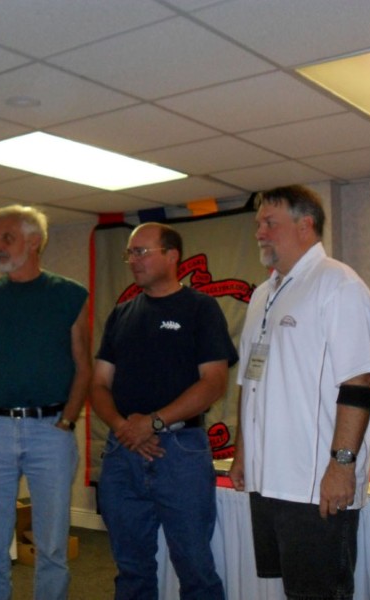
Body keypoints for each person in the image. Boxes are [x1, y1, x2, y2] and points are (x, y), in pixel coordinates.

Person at [229, 185, 370, 600]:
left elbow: (360, 382)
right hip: (269, 479)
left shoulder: (339, 285)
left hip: (315, 484)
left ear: (305, 225)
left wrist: (342, 466)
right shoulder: (263, 294)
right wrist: (244, 452)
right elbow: (249, 381)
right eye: (258, 222)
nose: (259, 230)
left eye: (269, 223)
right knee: (296, 591)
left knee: (320, 593)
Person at [91, 222, 237, 600]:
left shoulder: (200, 309)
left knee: (194, 567)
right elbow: (99, 384)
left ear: (172, 256)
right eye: (129, 253)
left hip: (181, 452)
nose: (133, 260)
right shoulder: (121, 314)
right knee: (131, 569)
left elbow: (214, 382)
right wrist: (126, 428)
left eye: (141, 251)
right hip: (123, 453)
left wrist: (153, 423)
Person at [0, 204, 91, 600]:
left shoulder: (69, 295)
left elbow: (83, 367)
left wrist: (67, 422)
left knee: (51, 547)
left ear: (34, 242)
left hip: (49, 432)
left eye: (7, 238)